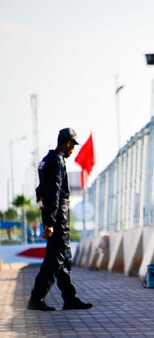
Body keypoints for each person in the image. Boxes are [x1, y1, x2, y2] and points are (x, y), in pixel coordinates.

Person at [27, 128, 93, 311]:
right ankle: (36, 298)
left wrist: (43, 203)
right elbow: (54, 192)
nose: (73, 150)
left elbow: (42, 188)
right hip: (58, 216)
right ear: (67, 143)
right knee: (55, 259)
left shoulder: (46, 160)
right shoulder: (57, 161)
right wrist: (50, 223)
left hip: (53, 212)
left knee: (63, 257)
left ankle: (70, 298)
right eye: (73, 146)